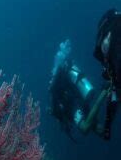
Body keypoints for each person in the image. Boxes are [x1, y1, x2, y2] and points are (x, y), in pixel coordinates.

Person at [49, 9, 121, 140]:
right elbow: (96, 128)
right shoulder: (67, 101)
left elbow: (85, 127)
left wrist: (104, 93)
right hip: (78, 101)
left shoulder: (68, 103)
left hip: (75, 102)